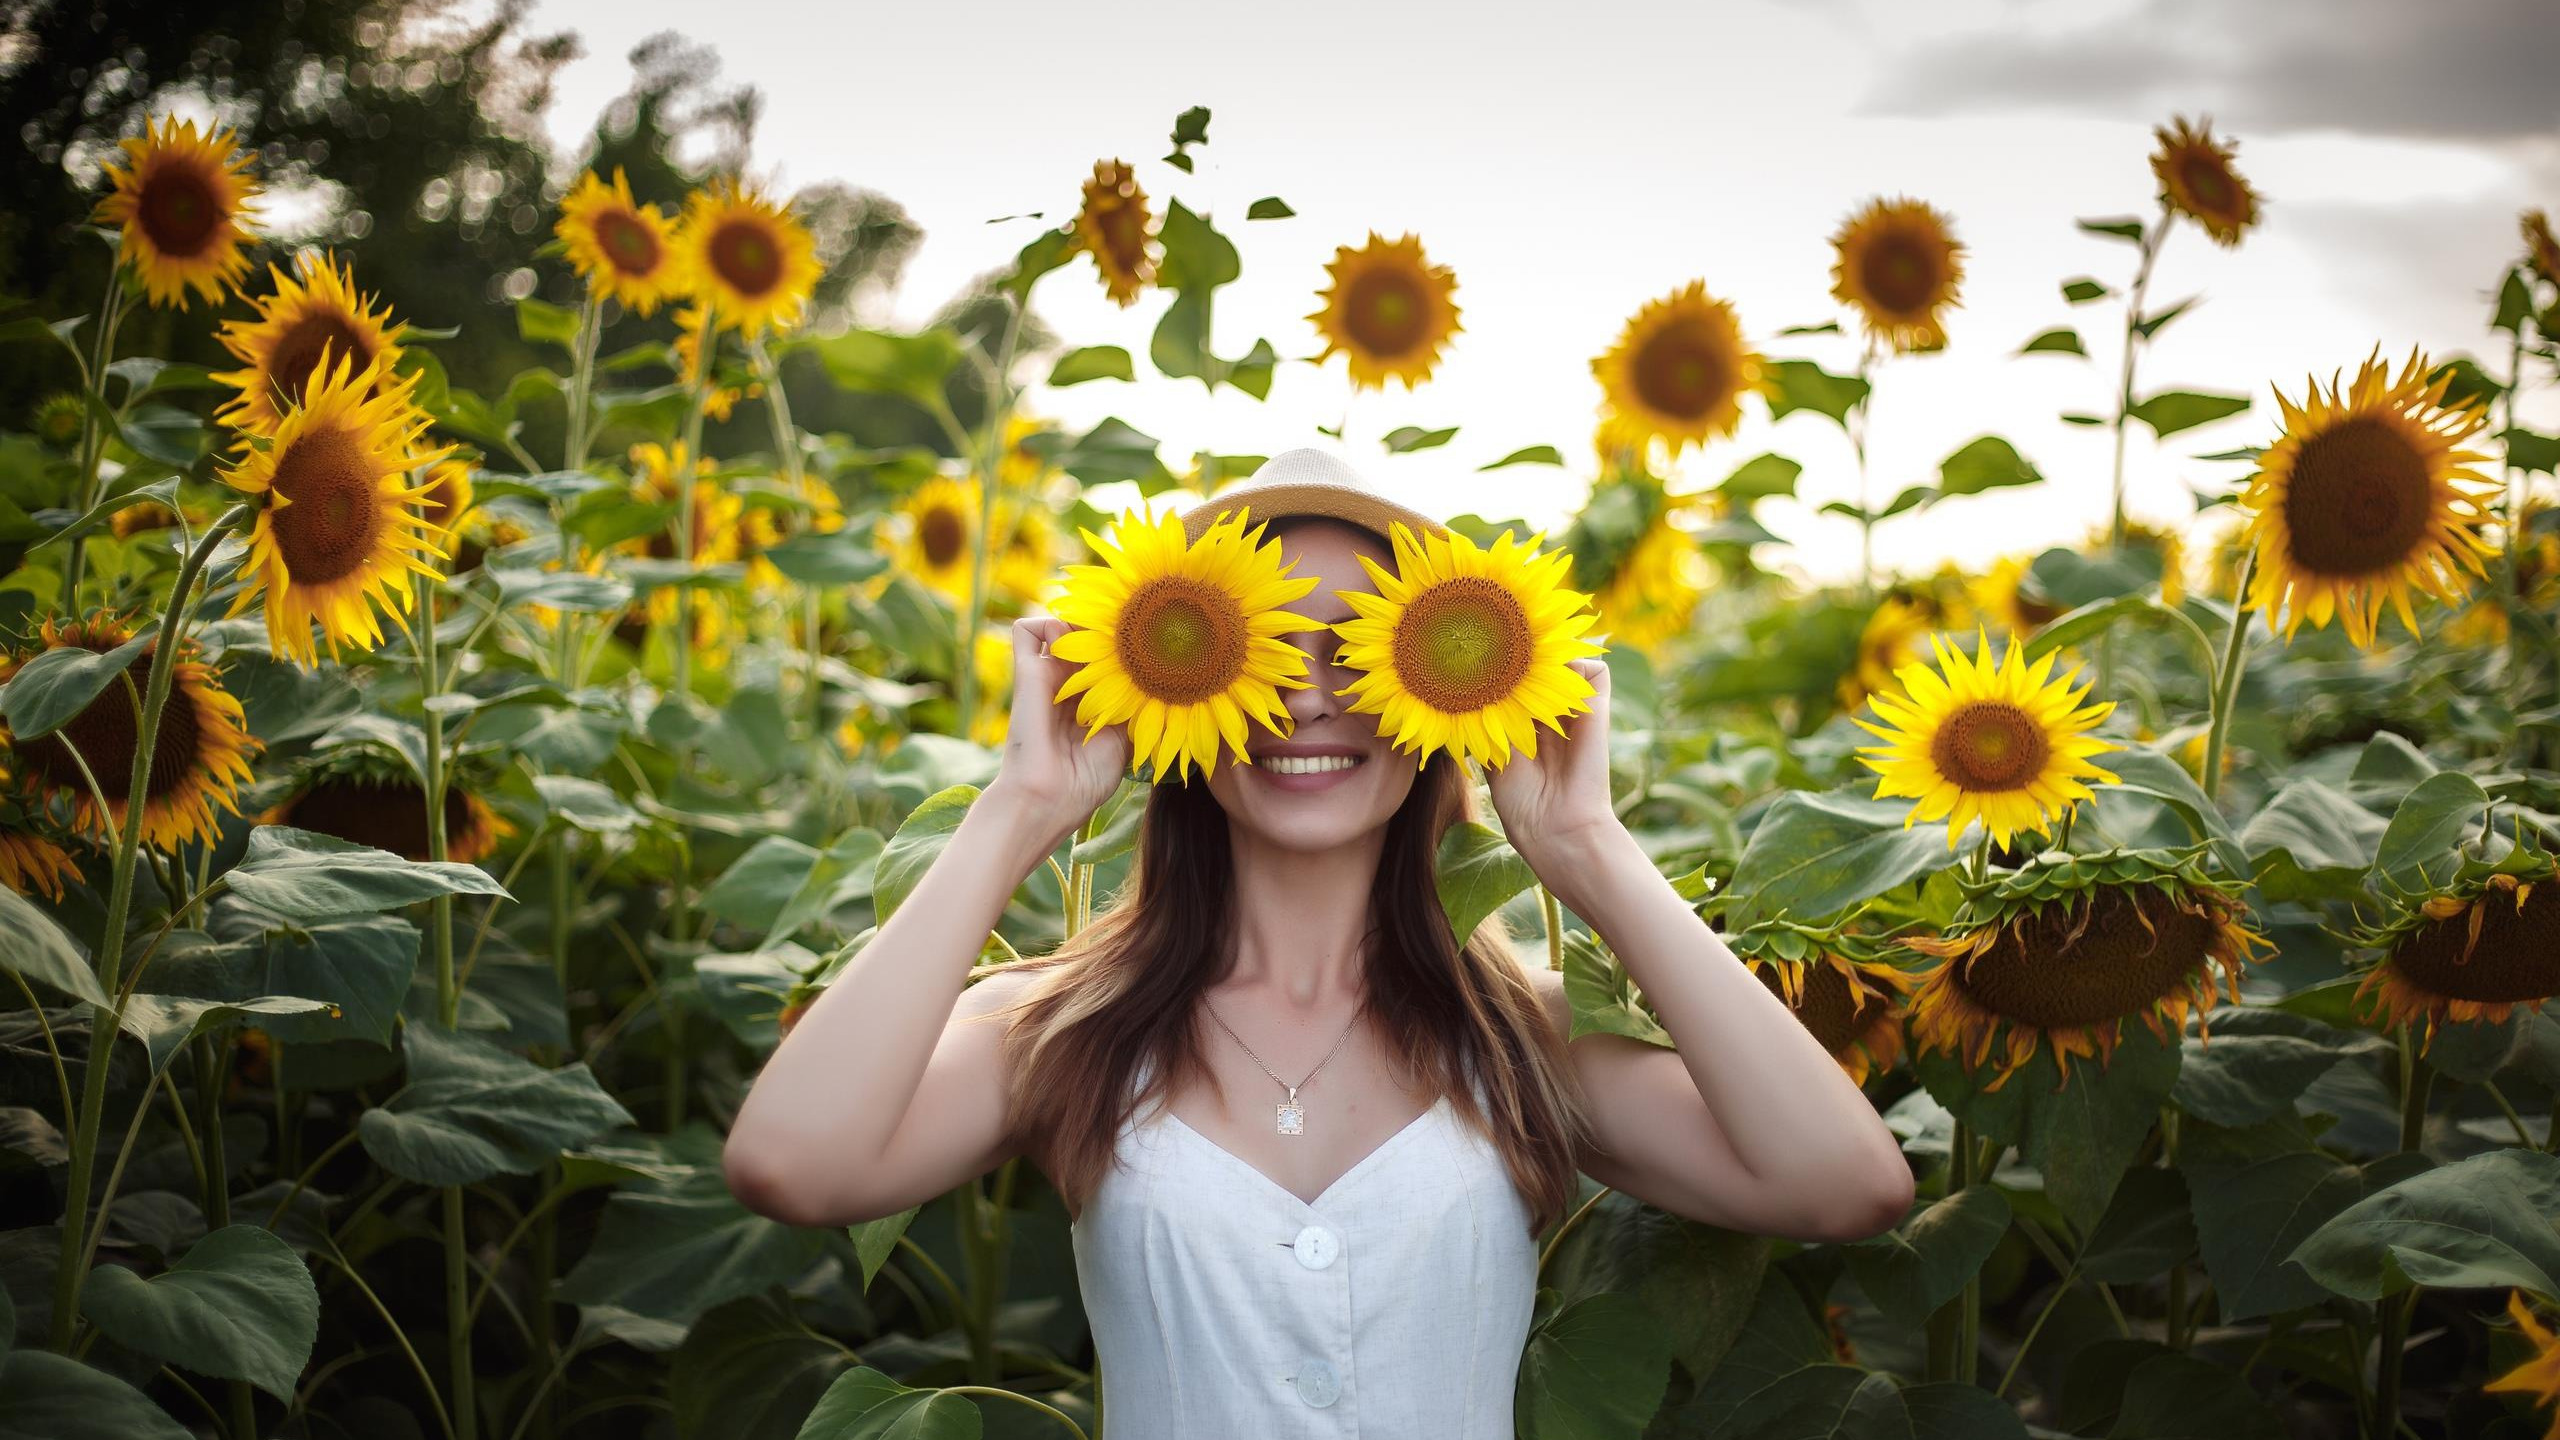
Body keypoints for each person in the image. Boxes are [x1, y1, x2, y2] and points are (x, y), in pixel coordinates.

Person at [724, 447, 1914, 1435]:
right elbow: (793, 1165)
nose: (1307, 693)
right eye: (1262, 643)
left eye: (1362, 645)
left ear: (1451, 686)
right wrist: (1020, 812)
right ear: (1171, 684)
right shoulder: (1062, 1025)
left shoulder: (1519, 1036)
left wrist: (1587, 845)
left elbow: (1844, 1184)